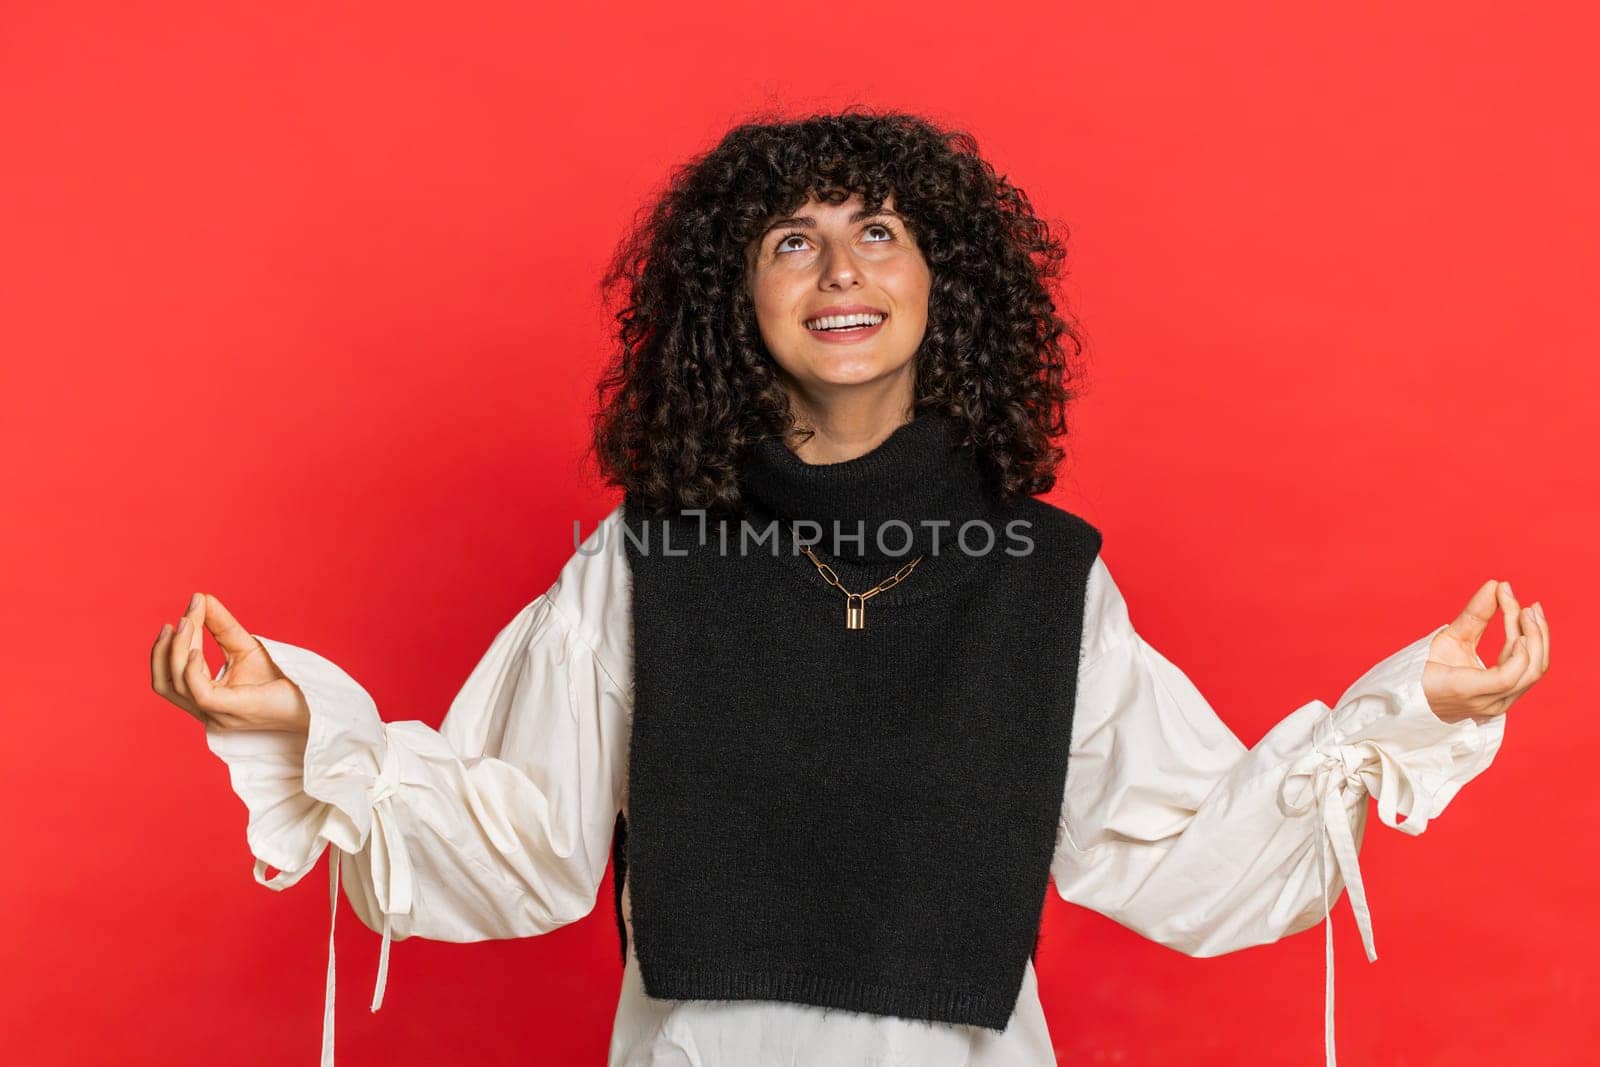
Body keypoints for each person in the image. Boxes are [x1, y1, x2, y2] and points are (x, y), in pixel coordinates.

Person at [149, 110, 1549, 1067]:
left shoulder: (1042, 573)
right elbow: (518, 837)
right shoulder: (647, 558)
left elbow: (1186, 860)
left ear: (948, 285)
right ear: (737, 299)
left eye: (880, 232)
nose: (840, 271)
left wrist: (1405, 712)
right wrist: (294, 719)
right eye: (791, 240)